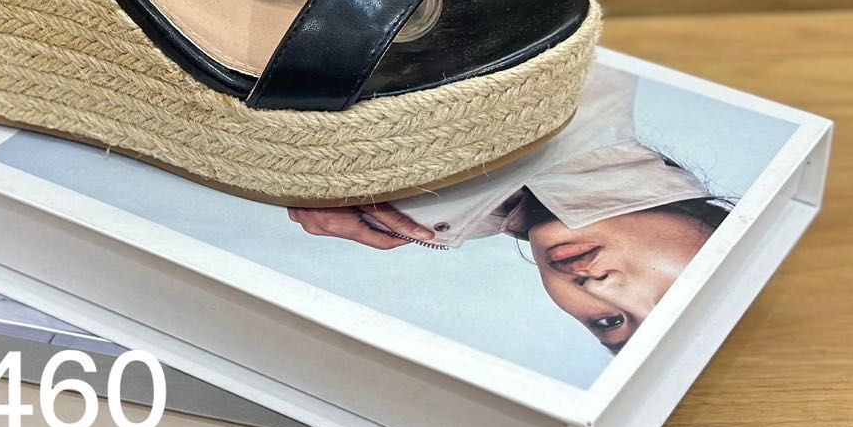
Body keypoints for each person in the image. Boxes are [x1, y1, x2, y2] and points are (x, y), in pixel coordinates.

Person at [287, 66, 733, 352]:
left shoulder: (418, 221)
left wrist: (300, 181)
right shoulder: (596, 74)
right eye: (674, 295)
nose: (602, 289)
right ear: (714, 224)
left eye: (608, 322)